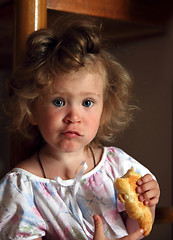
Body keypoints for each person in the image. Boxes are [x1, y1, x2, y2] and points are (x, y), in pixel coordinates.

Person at [0, 14, 160, 240]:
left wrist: (147, 202)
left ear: (105, 108)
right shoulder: (22, 187)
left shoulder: (117, 166)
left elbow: (136, 228)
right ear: (33, 109)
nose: (73, 116)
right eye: (58, 102)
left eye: (87, 103)